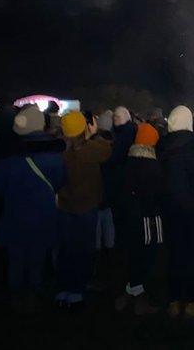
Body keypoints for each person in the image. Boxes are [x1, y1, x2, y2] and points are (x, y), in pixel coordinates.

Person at [0, 105, 66, 312]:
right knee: (37, 257)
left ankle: (16, 296)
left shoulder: (8, 156)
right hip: (43, 215)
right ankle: (34, 293)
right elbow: (60, 182)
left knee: (16, 258)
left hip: (14, 215)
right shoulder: (56, 154)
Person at [159, 105, 194, 318]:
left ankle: (174, 300)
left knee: (174, 254)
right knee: (193, 255)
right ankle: (191, 301)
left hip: (170, 208)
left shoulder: (162, 144)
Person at [54, 111, 111, 308]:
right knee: (83, 249)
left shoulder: (61, 152)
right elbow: (107, 148)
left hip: (64, 205)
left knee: (66, 248)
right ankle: (77, 292)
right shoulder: (91, 149)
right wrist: (95, 134)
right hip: (87, 207)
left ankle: (63, 290)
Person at [114, 122, 166, 315]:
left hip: (129, 217)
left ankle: (129, 291)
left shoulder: (128, 162)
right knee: (146, 257)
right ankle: (139, 297)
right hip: (148, 219)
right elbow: (157, 194)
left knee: (133, 254)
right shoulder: (152, 166)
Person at [99, 106, 136, 251]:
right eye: (114, 117)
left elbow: (115, 157)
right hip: (120, 177)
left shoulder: (124, 133)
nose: (115, 120)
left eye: (118, 118)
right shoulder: (125, 131)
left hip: (119, 176)